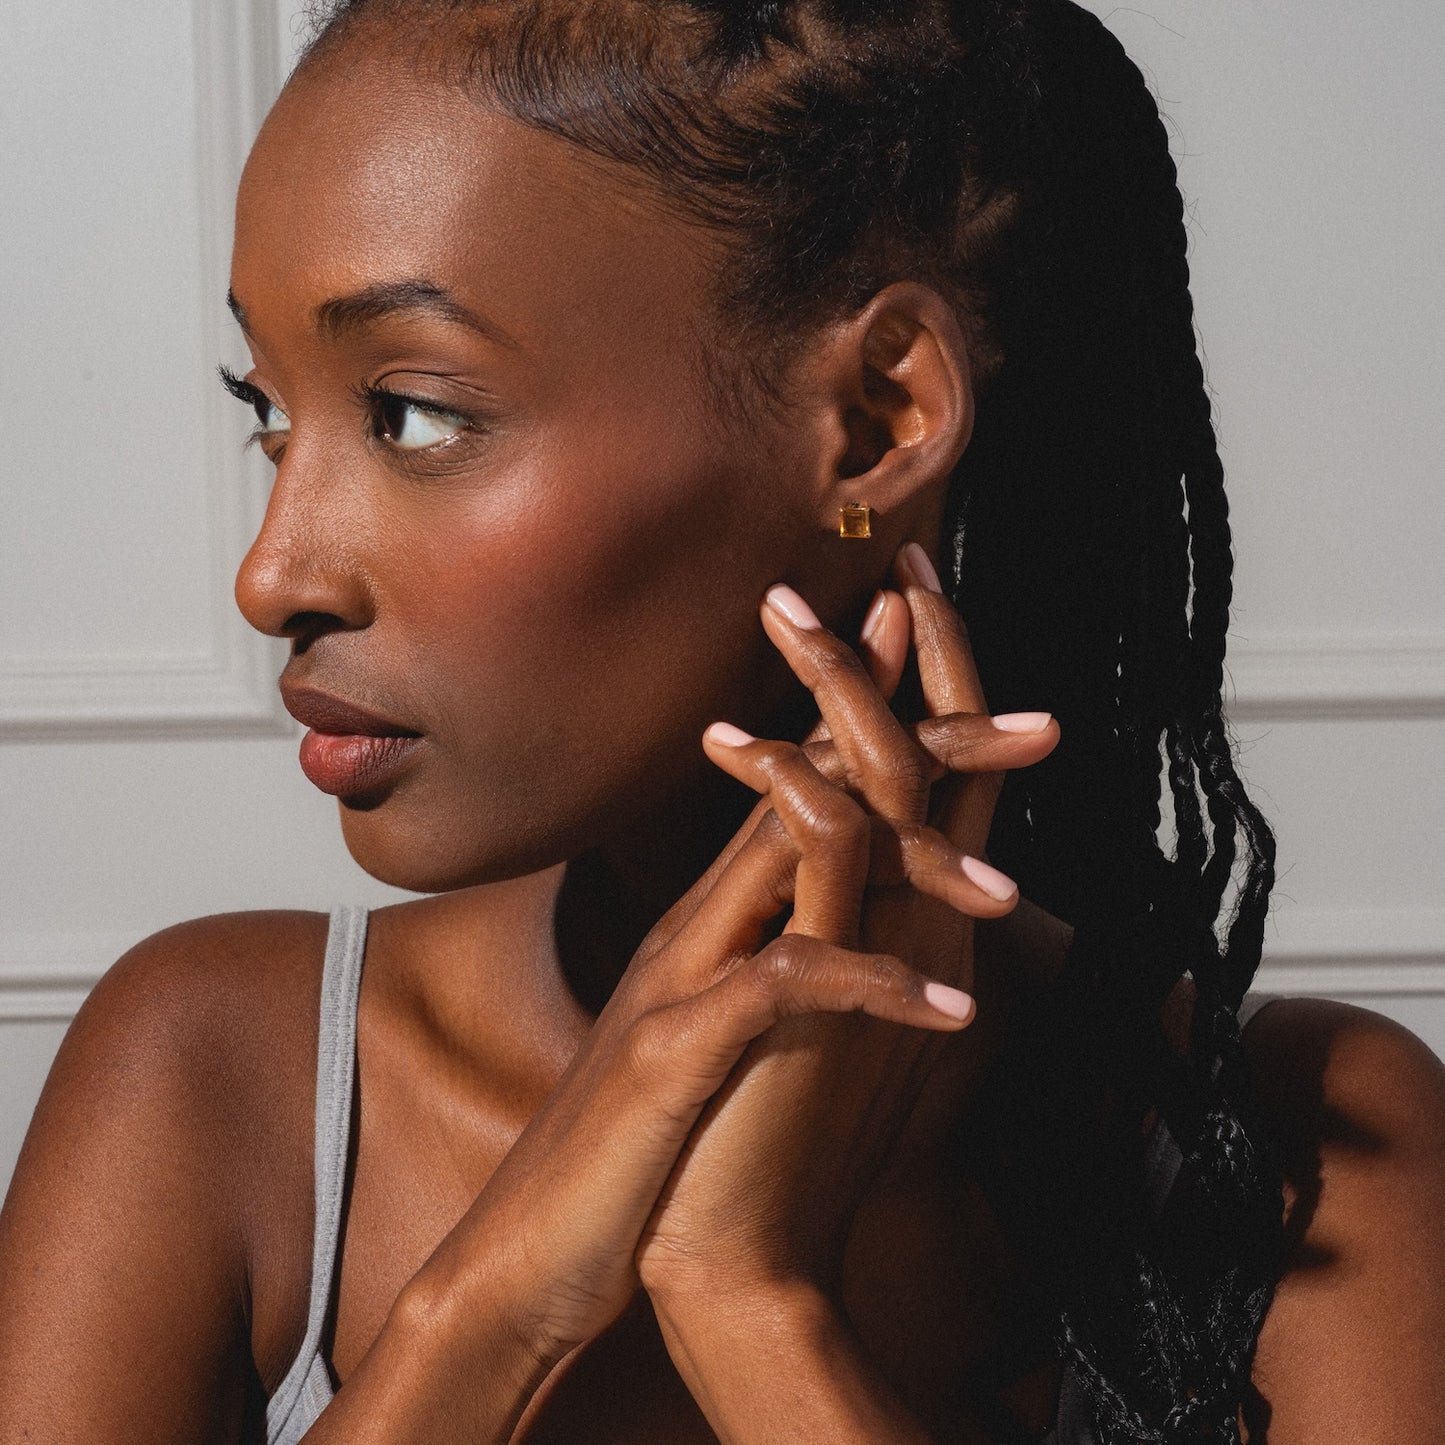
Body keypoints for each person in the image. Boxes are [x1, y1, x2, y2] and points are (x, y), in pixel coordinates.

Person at [2, 0, 1443, 1440]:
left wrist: (747, 1293)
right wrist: (489, 1305)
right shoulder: (215, 1075)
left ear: (878, 419)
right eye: (268, 408)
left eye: (415, 413)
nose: (270, 575)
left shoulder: (1307, 1154)